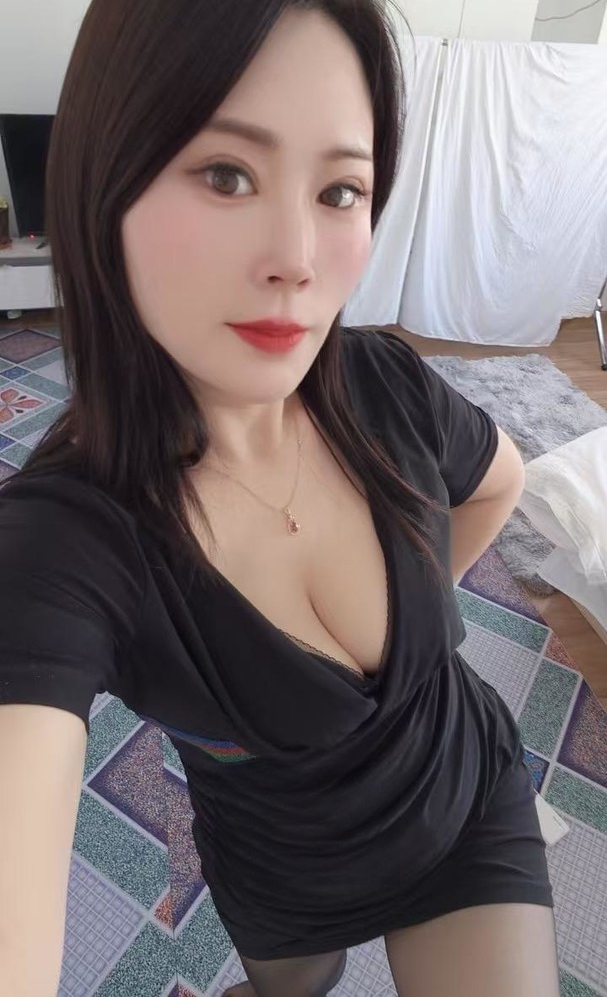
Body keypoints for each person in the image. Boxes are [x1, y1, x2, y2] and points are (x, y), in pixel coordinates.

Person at [0, 1, 562, 995]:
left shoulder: (385, 383)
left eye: (341, 189)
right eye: (227, 174)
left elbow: (501, 481)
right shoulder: (61, 543)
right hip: (282, 875)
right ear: (104, 183)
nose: (298, 257)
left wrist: (421, 599)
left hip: (464, 799)